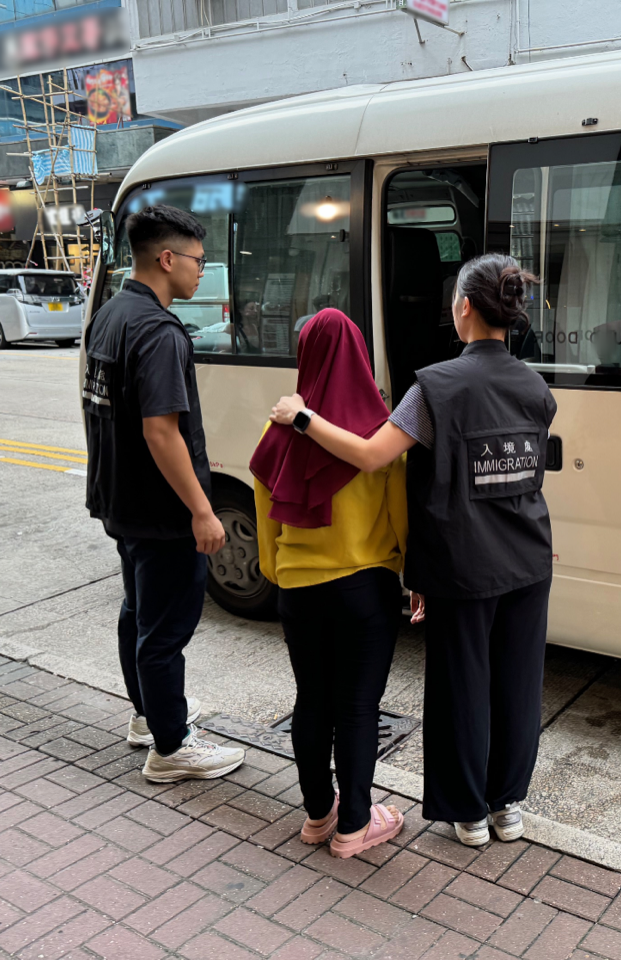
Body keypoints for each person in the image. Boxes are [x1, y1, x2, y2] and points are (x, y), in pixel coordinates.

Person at [270, 253, 556, 847]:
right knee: (518, 683)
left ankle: (469, 815)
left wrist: (302, 419)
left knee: (463, 685)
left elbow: (374, 455)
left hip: (465, 564)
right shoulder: (536, 385)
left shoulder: (436, 386)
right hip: (529, 558)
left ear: (464, 308)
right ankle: (508, 808)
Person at [82, 204, 245, 783]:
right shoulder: (157, 330)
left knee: (139, 611)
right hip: (161, 511)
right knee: (166, 629)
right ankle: (172, 748)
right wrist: (202, 510)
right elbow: (160, 429)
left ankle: (148, 717)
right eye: (199, 260)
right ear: (167, 258)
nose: (203, 270)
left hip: (121, 501)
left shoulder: (110, 315)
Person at [250, 308, 408, 859]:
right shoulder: (379, 433)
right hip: (365, 590)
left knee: (311, 702)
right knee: (359, 708)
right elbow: (400, 521)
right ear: (359, 356)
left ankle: (319, 817)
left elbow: (267, 529)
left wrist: (285, 575)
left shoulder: (279, 431)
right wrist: (409, 577)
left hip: (298, 590)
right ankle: (355, 827)